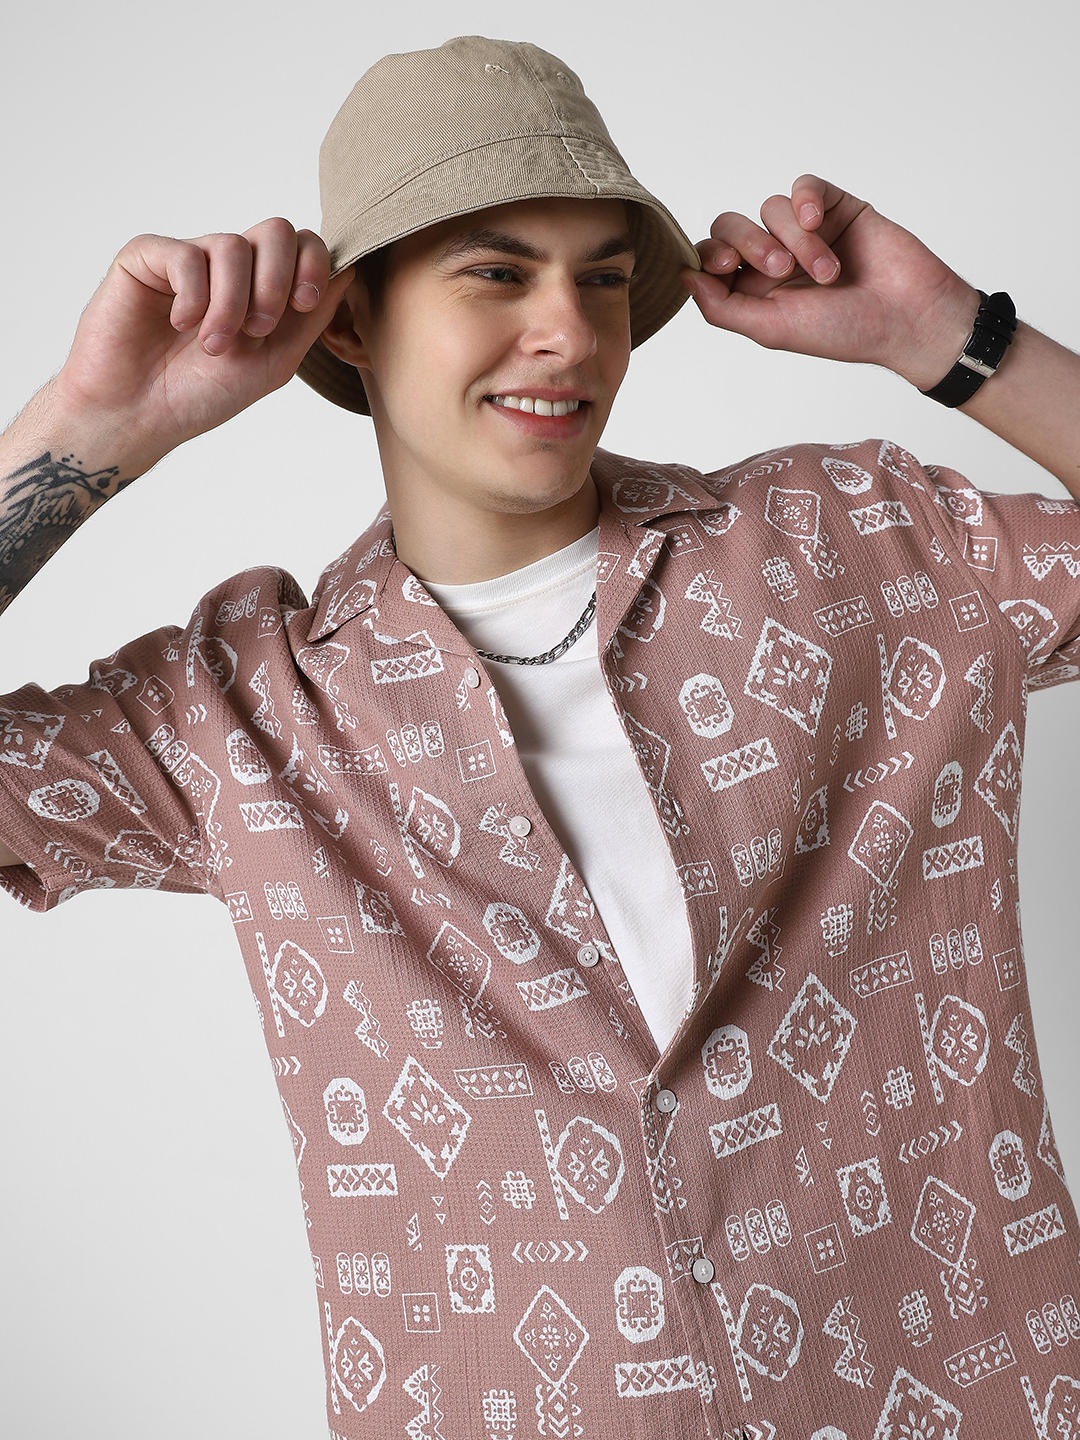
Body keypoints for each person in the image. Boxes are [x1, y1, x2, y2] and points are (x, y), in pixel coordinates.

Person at [2, 33, 1079, 1440]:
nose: (571, 333)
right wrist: (91, 429)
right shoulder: (239, 715)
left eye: (604, 278)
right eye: (498, 275)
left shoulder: (855, 548)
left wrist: (949, 337)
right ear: (348, 322)